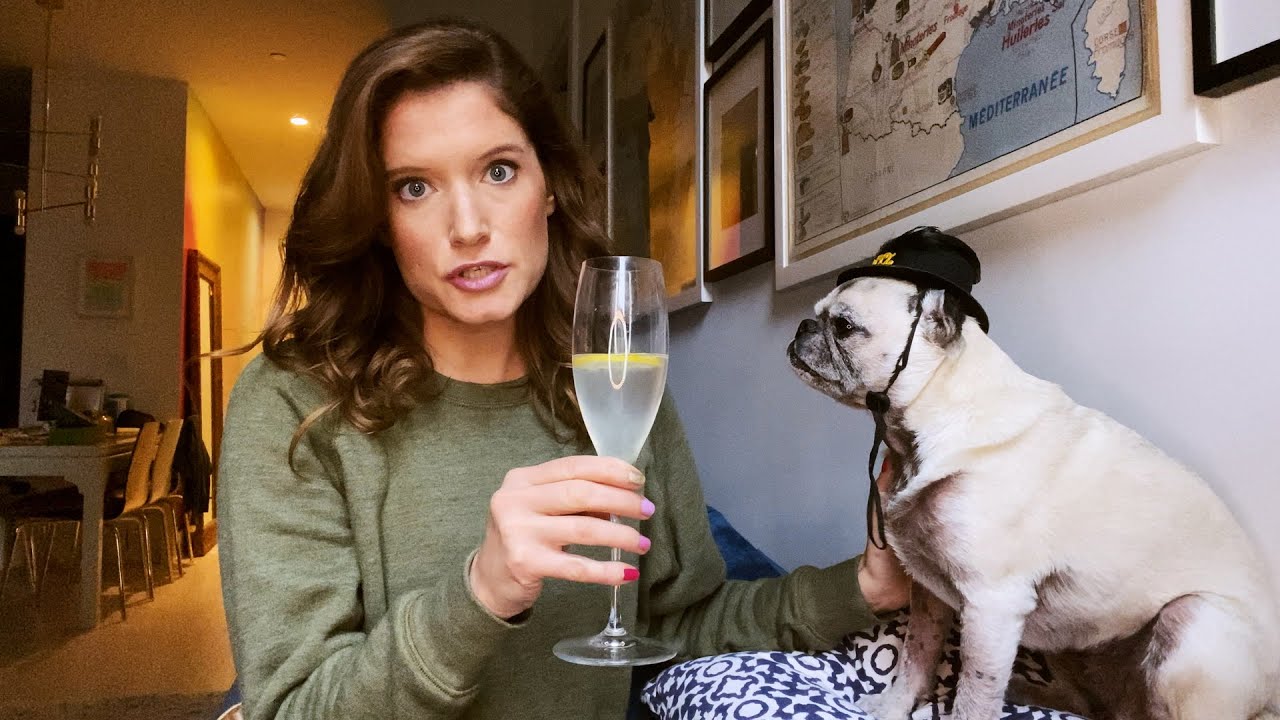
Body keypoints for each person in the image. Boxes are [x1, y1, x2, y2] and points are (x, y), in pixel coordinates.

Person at [217, 18, 911, 720]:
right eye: (414, 187)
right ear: (378, 219)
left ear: (547, 184)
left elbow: (677, 627)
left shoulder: (614, 379)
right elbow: (290, 708)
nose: (468, 226)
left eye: (498, 171)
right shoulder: (294, 403)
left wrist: (863, 587)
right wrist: (481, 593)